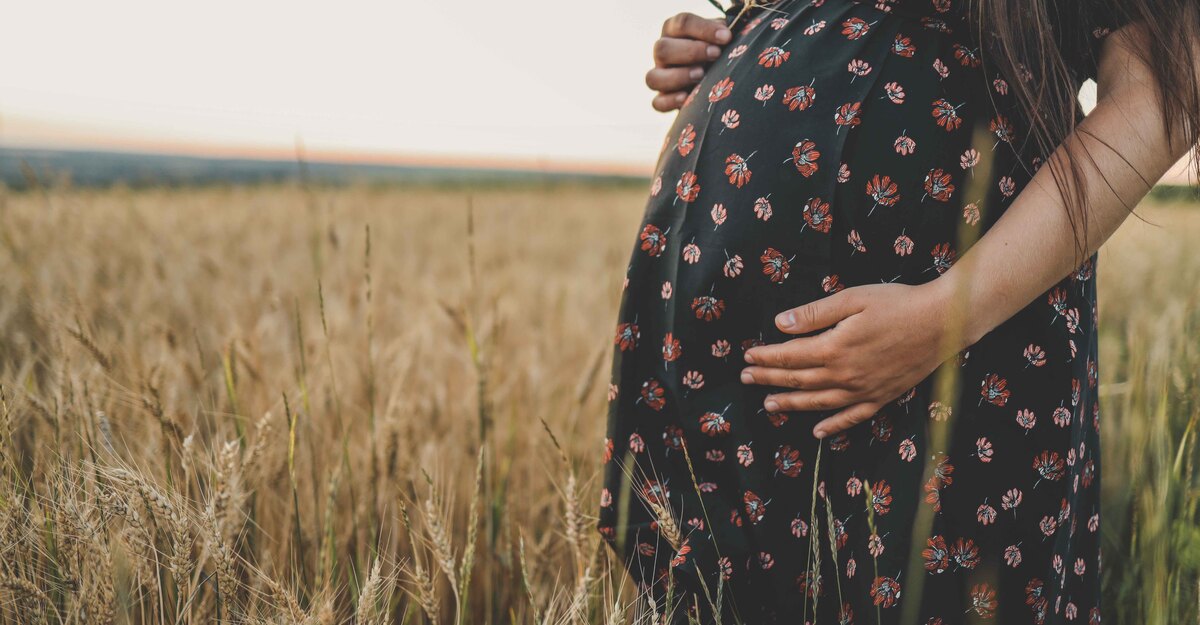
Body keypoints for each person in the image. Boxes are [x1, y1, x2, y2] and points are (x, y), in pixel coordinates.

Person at [595, 0, 1200, 623]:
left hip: (948, 329)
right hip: (712, 317)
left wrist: (946, 313)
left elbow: (1164, 87)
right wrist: (742, 32)